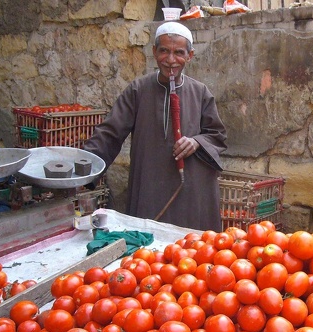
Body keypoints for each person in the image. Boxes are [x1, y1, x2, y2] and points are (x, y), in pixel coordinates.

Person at [84, 22, 227, 231]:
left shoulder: (201, 92)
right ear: (154, 52)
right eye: (164, 51)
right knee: (148, 252)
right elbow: (110, 133)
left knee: (192, 253)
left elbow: (217, 135)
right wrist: (84, 167)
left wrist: (196, 142)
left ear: (190, 55)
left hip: (190, 190)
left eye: (179, 53)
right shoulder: (138, 90)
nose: (170, 60)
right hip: (149, 185)